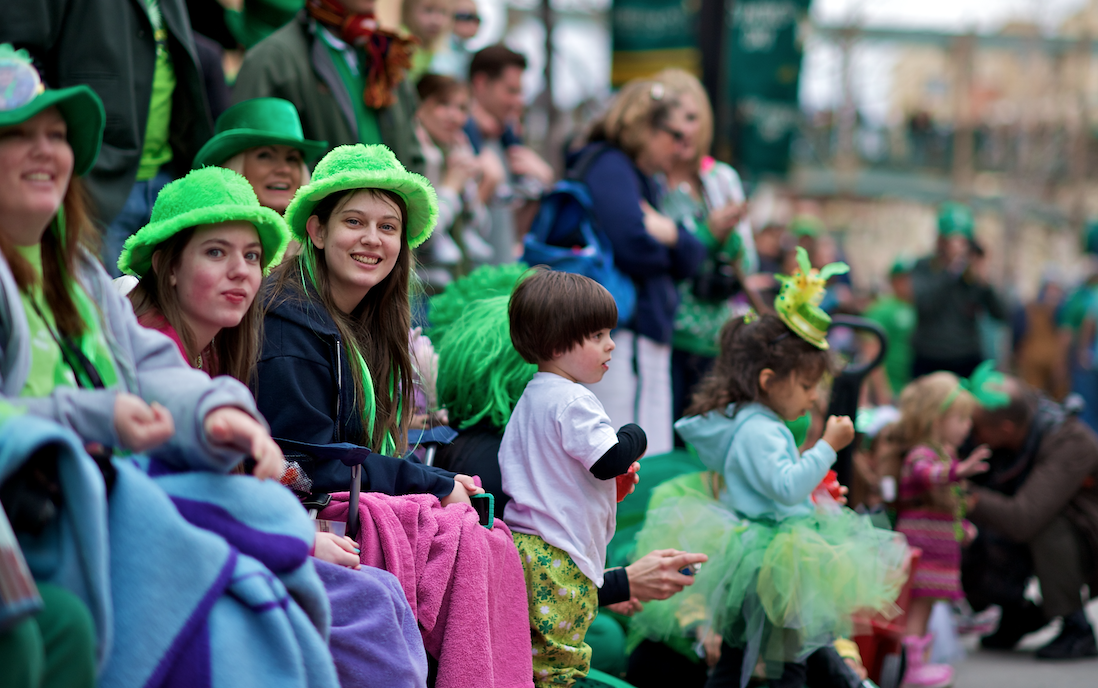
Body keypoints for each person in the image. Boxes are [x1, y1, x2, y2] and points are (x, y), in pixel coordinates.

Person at [0, 44, 345, 687]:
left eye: (57, 134)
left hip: (101, 503)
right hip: (46, 514)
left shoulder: (76, 272)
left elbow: (149, 370)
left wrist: (217, 414)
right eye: (20, 135)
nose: (47, 149)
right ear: (169, 264)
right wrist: (93, 414)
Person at [627, 248, 907, 687]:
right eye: (807, 386)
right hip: (773, 557)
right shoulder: (761, 429)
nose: (814, 398)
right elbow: (786, 486)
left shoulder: (754, 423)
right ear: (768, 380)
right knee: (786, 659)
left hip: (759, 554)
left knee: (747, 656)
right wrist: (828, 447)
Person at [257, 143, 480, 504]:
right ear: (317, 231)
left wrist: (440, 478)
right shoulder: (284, 329)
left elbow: (354, 458)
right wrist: (432, 485)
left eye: (388, 226)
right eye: (354, 221)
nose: (372, 238)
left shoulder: (363, 317)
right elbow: (305, 468)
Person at [501, 269, 648, 686]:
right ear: (555, 342)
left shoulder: (533, 397)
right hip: (560, 556)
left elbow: (567, 475)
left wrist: (607, 488)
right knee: (559, 666)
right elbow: (609, 459)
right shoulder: (573, 399)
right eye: (597, 334)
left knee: (532, 657)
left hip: (529, 549)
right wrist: (636, 435)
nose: (611, 344)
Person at [1, 0, 215, 277]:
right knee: (94, 310)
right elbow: (17, 56)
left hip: (170, 177)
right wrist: (58, 147)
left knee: (156, 317)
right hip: (95, 183)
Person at [575, 78, 707, 455]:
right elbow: (632, 244)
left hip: (636, 334)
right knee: (628, 455)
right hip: (621, 335)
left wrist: (670, 236)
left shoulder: (640, 175)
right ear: (646, 127)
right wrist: (676, 243)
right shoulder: (611, 165)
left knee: (645, 451)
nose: (683, 148)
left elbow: (693, 257)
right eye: (675, 135)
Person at [965, 370, 1098, 660]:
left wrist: (960, 493)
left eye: (976, 427)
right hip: (1054, 531)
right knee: (975, 527)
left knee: (1041, 522)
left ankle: (1075, 626)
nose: (970, 434)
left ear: (1007, 428)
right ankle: (1017, 613)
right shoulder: (1015, 431)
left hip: (1088, 536)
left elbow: (1023, 519)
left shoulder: (1069, 440)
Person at [653, 68, 760, 425]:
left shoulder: (721, 179)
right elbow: (651, 257)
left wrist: (727, 237)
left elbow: (748, 261)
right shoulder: (650, 178)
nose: (683, 129)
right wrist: (706, 235)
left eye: (692, 117)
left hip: (715, 338)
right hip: (664, 334)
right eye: (672, 118)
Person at [119, 166, 287, 378]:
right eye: (216, 252)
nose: (241, 271)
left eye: (251, 255)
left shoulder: (210, 354)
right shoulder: (149, 354)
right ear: (167, 266)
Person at [232, 0, 424, 174]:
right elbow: (248, 163)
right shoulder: (273, 59)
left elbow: (412, 153)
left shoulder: (386, 52)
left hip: (389, 209)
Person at [891, 371, 991, 687]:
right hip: (923, 550)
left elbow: (944, 503)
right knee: (917, 611)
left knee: (927, 608)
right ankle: (911, 670)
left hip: (938, 551)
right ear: (936, 419)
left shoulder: (945, 455)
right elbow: (924, 475)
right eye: (960, 418)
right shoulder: (923, 454)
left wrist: (960, 526)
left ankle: (918, 664)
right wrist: (957, 470)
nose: (967, 426)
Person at [465, 45, 554, 262]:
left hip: (500, 270)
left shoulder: (505, 139)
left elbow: (516, 226)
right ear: (481, 83)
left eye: (521, 92)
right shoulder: (456, 138)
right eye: (511, 91)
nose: (519, 101)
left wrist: (542, 183)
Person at [413, 74, 499, 292]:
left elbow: (481, 228)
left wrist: (468, 187)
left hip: (458, 284)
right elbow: (424, 238)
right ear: (419, 106)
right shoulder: (415, 156)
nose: (454, 116)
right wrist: (450, 189)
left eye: (462, 108)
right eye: (443, 104)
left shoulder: (457, 152)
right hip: (423, 292)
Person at [911, 202, 1005, 379]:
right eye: (953, 240)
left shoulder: (973, 274)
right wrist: (952, 271)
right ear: (941, 240)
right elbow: (924, 306)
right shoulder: (925, 267)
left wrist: (985, 282)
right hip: (930, 357)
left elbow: (1000, 314)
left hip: (966, 358)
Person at [193, 97, 329, 215]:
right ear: (233, 167)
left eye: (292, 158)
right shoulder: (205, 238)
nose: (285, 169)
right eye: (265, 156)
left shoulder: (318, 241)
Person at [864, 257, 917, 398]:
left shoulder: (919, 307)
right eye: (905, 278)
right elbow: (871, 352)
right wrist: (882, 394)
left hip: (914, 386)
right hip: (892, 389)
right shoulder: (881, 310)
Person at [429, 0, 481, 78]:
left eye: (477, 18)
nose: (474, 23)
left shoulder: (466, 53)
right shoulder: (436, 48)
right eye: (466, 16)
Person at [402, 0, 451, 80]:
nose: (436, 20)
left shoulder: (438, 47)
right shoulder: (401, 43)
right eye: (428, 10)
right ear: (408, 11)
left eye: (443, 12)